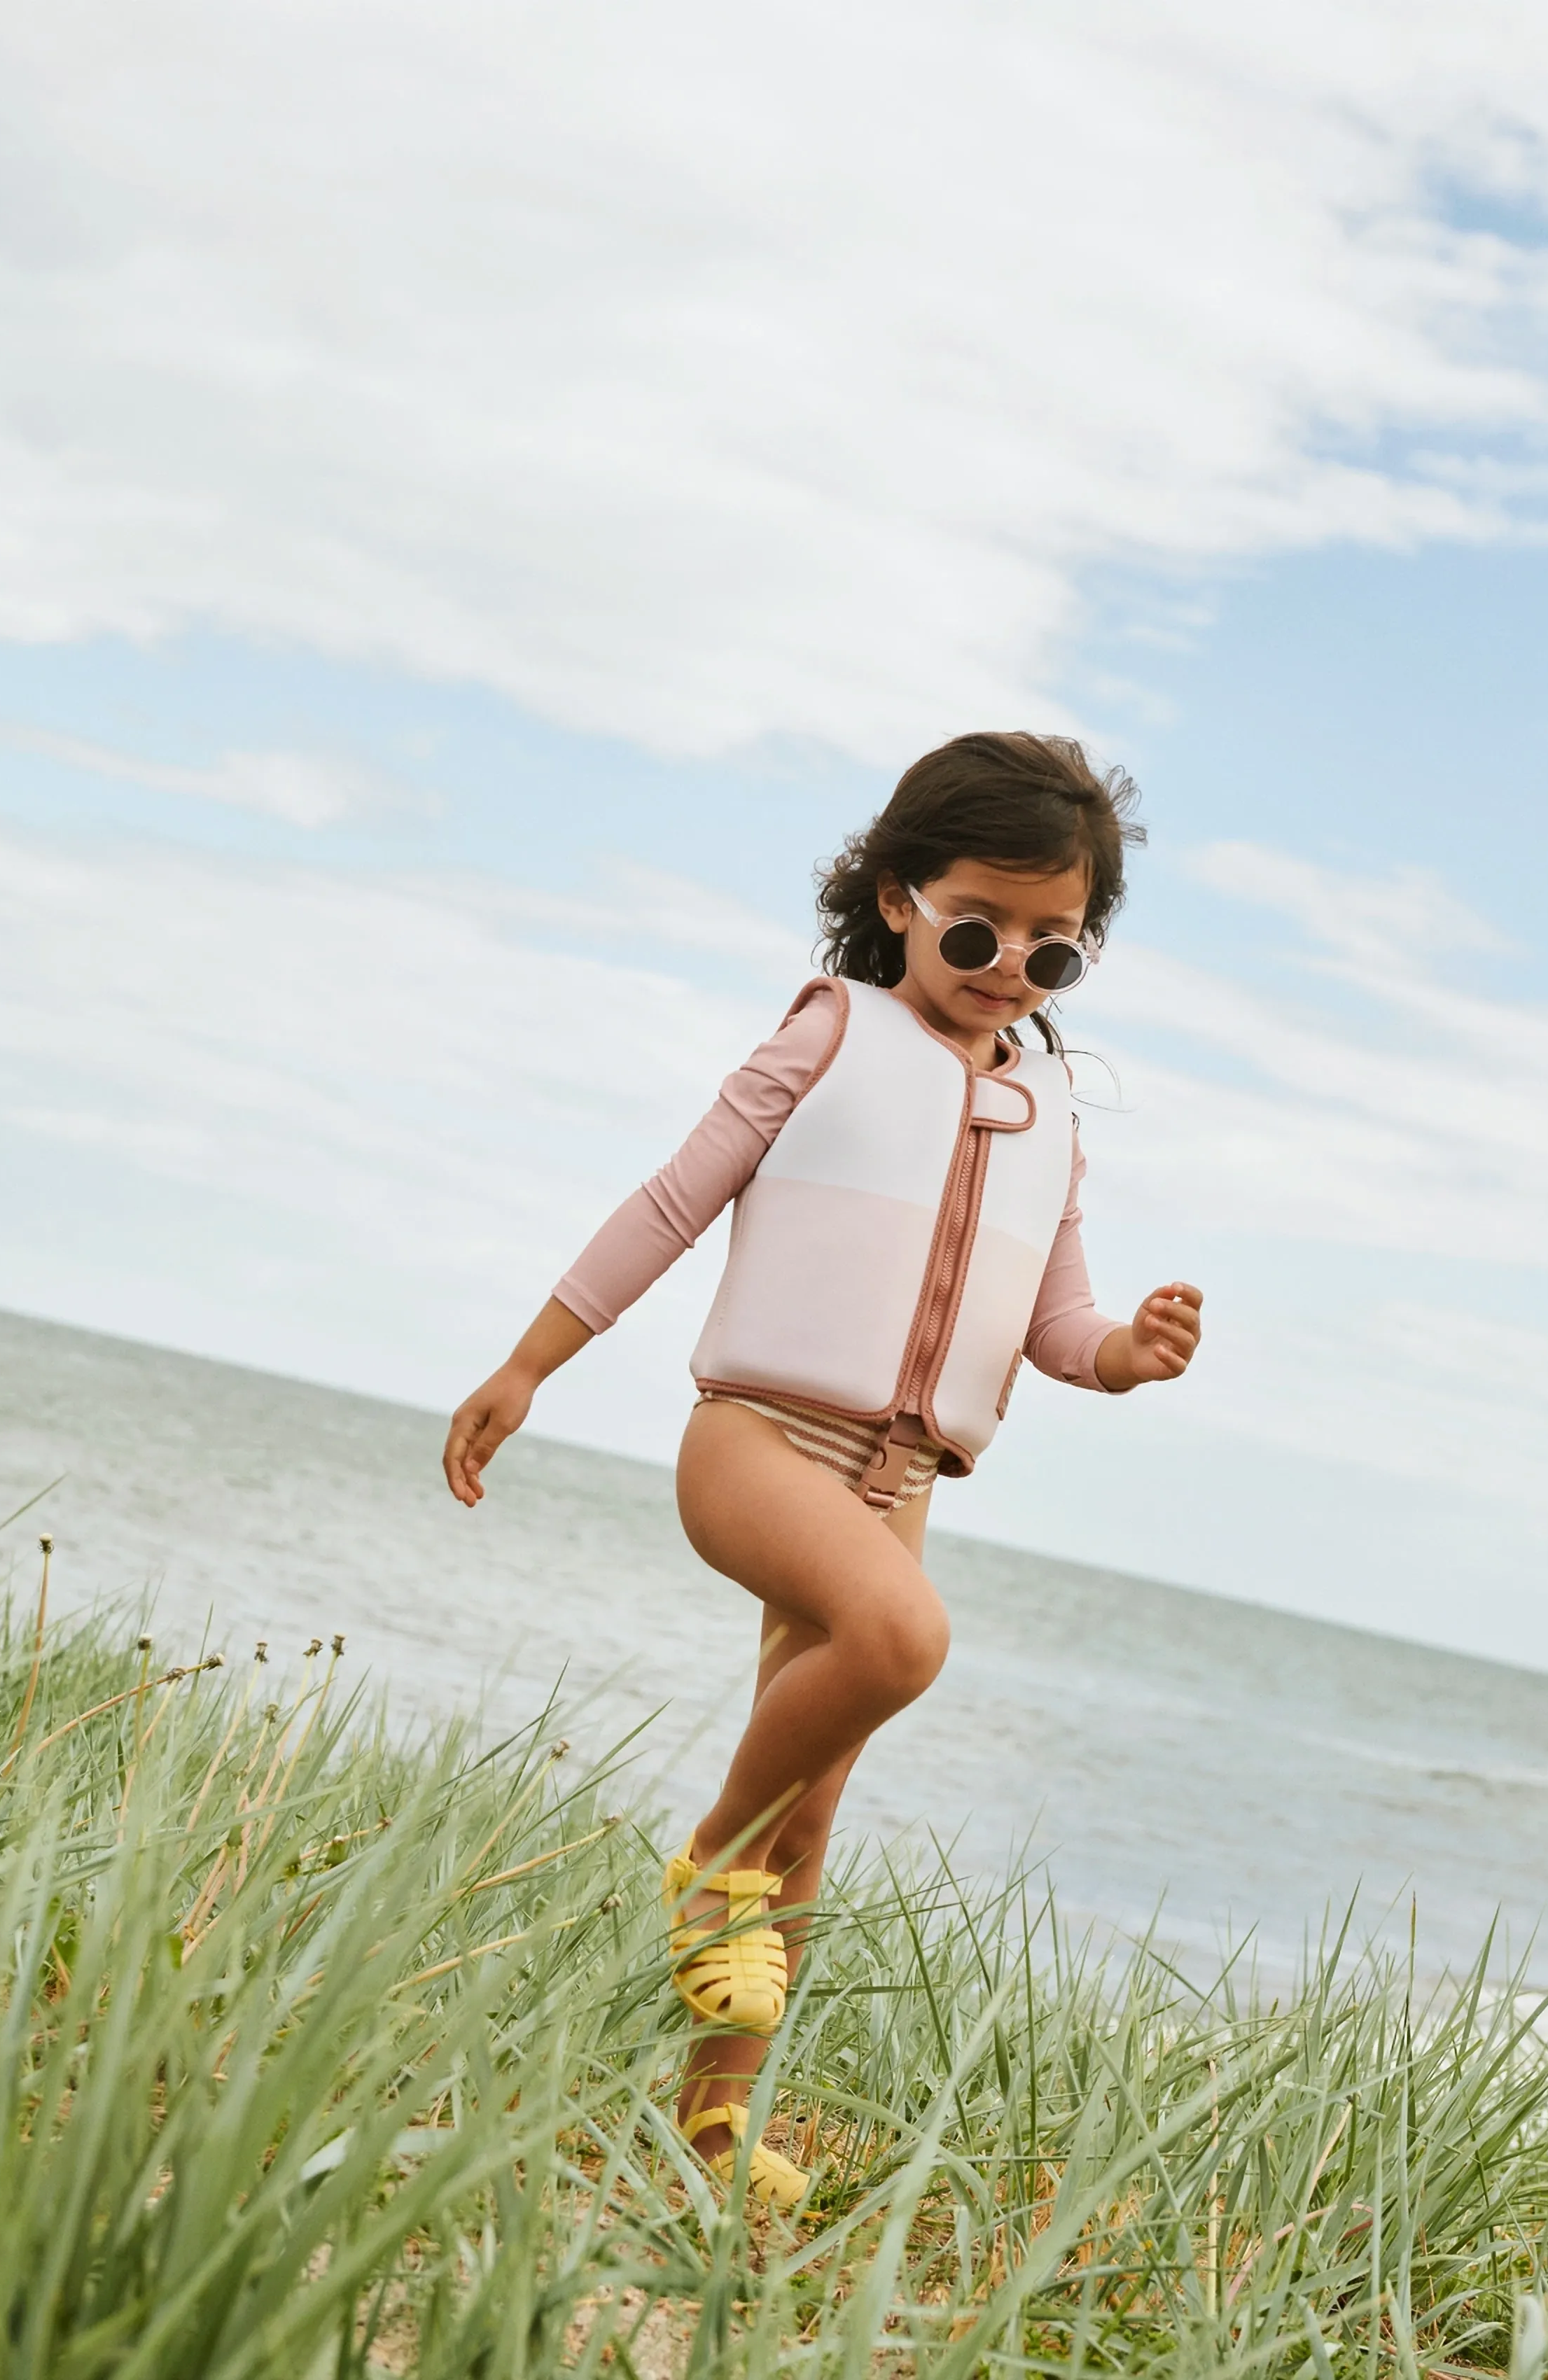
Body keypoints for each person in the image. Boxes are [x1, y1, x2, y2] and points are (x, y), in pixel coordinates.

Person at [442, 731, 1204, 2207]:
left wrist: (1131, 1351)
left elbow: (1056, 1324)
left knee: (813, 1822)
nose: (1009, 965)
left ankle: (712, 2130)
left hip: (902, 1477)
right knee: (900, 1637)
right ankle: (701, 1854)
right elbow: (673, 1200)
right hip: (760, 1440)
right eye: (980, 924)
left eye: (1054, 946)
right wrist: (530, 1363)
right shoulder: (828, 1030)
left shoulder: (1047, 1110)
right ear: (899, 893)